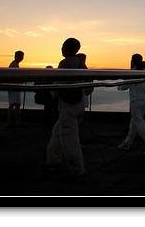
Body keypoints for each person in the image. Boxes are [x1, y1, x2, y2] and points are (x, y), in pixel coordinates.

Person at [40, 38, 91, 181]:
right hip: (78, 103)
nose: (61, 49)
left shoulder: (65, 63)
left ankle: (78, 170)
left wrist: (52, 92)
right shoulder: (81, 64)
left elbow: (58, 83)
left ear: (67, 48)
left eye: (63, 46)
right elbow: (88, 87)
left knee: (70, 138)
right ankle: (53, 161)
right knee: (58, 132)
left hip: (68, 106)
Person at [118, 54, 145, 155]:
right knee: (135, 122)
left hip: (135, 101)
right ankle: (127, 142)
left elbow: (124, 86)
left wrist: (118, 86)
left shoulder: (132, 73)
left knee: (139, 122)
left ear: (132, 61)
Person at [6, 51, 25, 127]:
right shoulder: (14, 65)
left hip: (13, 87)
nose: (21, 58)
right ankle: (17, 121)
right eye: (20, 56)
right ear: (16, 56)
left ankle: (10, 121)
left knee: (12, 104)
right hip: (14, 87)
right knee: (16, 104)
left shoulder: (14, 64)